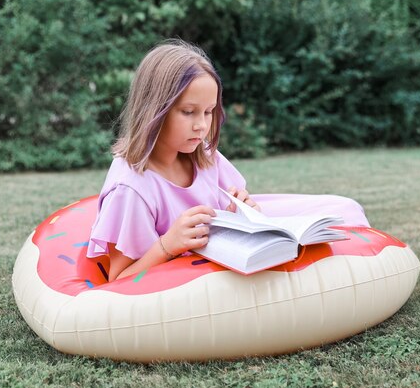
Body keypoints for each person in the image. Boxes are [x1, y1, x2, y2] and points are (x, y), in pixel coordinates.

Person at [88, 39, 369, 281]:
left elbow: (227, 210)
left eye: (208, 112)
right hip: (182, 268)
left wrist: (244, 210)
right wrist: (167, 245)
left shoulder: (202, 154)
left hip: (225, 249)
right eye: (189, 112)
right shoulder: (131, 189)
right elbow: (119, 280)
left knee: (347, 210)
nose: (202, 126)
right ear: (154, 110)